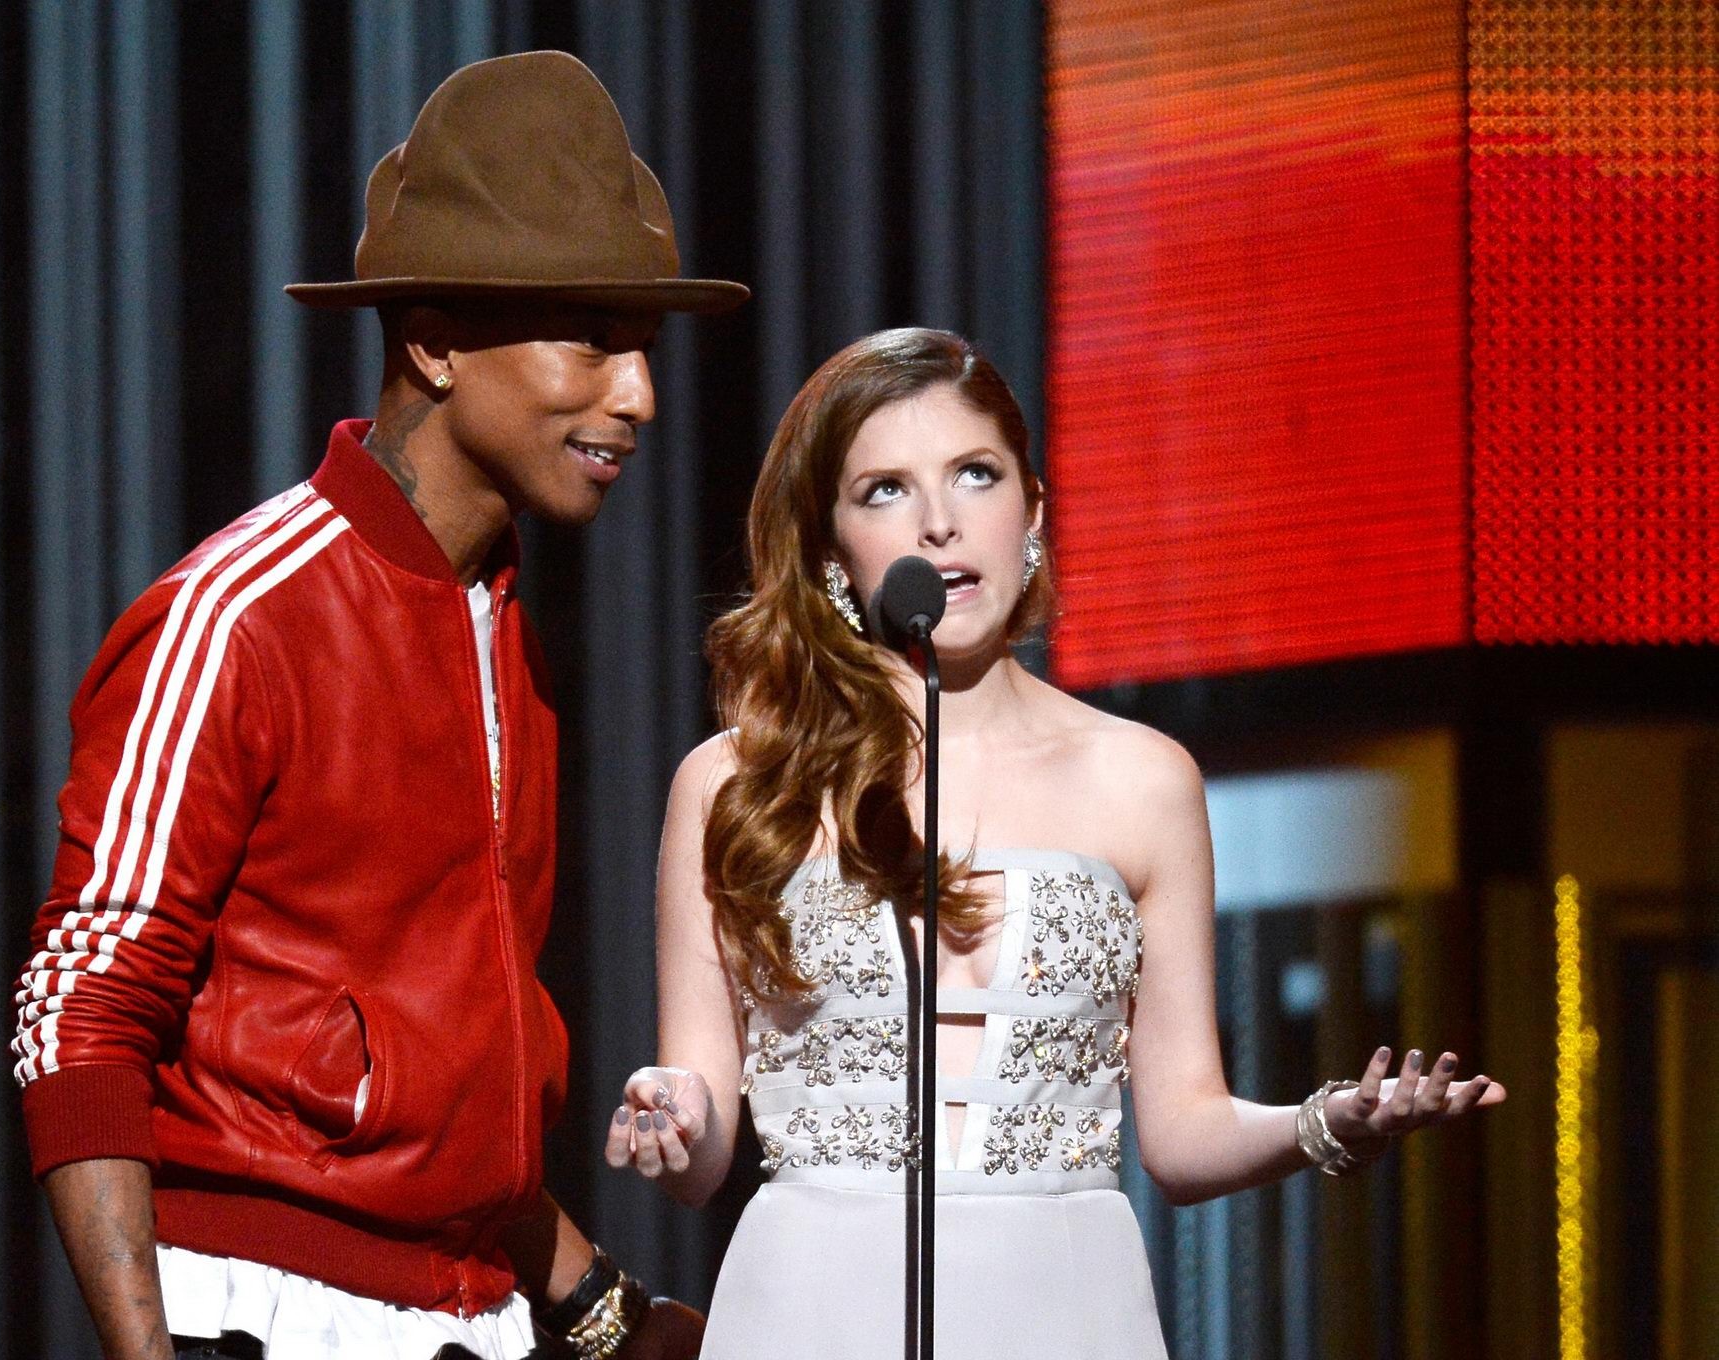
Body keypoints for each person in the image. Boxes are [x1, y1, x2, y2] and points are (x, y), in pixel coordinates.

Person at [10, 51, 745, 1360]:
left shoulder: (496, 627)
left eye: (644, 349)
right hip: (261, 1313)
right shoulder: (236, 615)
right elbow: (77, 1014)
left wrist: (604, 1316)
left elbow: (439, 1106)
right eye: (595, 339)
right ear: (434, 343)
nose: (637, 394)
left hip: (470, 1315)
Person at [601, 328, 1505, 1358]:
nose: (940, 524)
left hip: (1064, 1307)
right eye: (885, 490)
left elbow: (1181, 1129)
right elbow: (702, 1142)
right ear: (828, 548)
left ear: (1031, 508)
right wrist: (670, 1117)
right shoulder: (732, 782)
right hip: (811, 1303)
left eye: (972, 475)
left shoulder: (1143, 777)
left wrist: (1327, 1121)